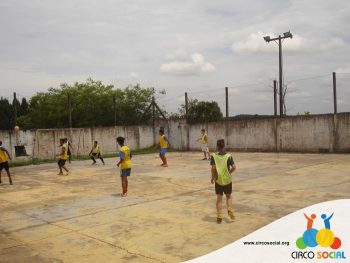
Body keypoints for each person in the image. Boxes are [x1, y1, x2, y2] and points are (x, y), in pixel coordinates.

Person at [210, 139, 236, 224]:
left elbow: (213, 169)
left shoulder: (213, 156)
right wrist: (229, 173)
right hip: (227, 180)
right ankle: (229, 210)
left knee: (219, 199)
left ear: (217, 147)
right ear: (224, 146)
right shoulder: (229, 156)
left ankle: (219, 217)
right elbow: (234, 167)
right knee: (228, 196)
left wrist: (213, 177)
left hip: (218, 180)